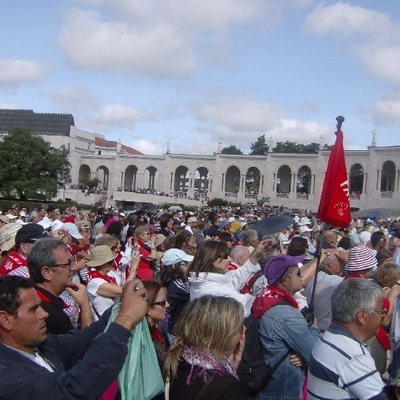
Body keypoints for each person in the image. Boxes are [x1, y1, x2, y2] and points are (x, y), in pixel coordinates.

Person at [0, 275, 148, 400]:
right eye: (33, 309)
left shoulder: (41, 345)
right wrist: (125, 320)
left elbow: (82, 340)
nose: (44, 314)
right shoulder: (7, 378)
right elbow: (74, 388)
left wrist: (123, 306)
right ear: (5, 320)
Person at [252, 255, 320, 399]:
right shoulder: (289, 316)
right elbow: (314, 355)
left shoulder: (262, 299)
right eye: (298, 274)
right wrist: (313, 324)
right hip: (281, 391)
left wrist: (302, 354)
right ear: (285, 280)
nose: (302, 277)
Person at [307, 279, 388, 399]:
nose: (383, 315)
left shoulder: (329, 337)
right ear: (361, 317)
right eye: (381, 311)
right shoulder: (354, 357)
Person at [163, 295, 247, 400]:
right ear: (224, 336)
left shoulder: (173, 362)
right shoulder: (228, 388)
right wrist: (229, 375)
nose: (243, 331)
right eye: (240, 327)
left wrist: (230, 368)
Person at [189, 239, 272, 317]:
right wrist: (277, 296)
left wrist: (256, 255)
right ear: (213, 261)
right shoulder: (213, 291)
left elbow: (235, 279)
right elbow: (248, 304)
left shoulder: (204, 280)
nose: (230, 259)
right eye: (225, 256)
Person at [27, 238, 93, 334]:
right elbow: (85, 345)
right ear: (47, 273)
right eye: (68, 263)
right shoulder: (51, 316)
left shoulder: (31, 293)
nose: (74, 267)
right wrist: (85, 304)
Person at [159, 248, 193, 345]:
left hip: (179, 325)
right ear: (174, 266)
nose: (188, 266)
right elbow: (194, 293)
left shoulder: (181, 279)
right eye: (185, 263)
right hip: (175, 328)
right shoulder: (175, 285)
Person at [142, 280, 169, 365]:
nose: (168, 305)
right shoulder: (142, 343)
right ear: (147, 308)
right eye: (162, 302)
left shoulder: (155, 329)